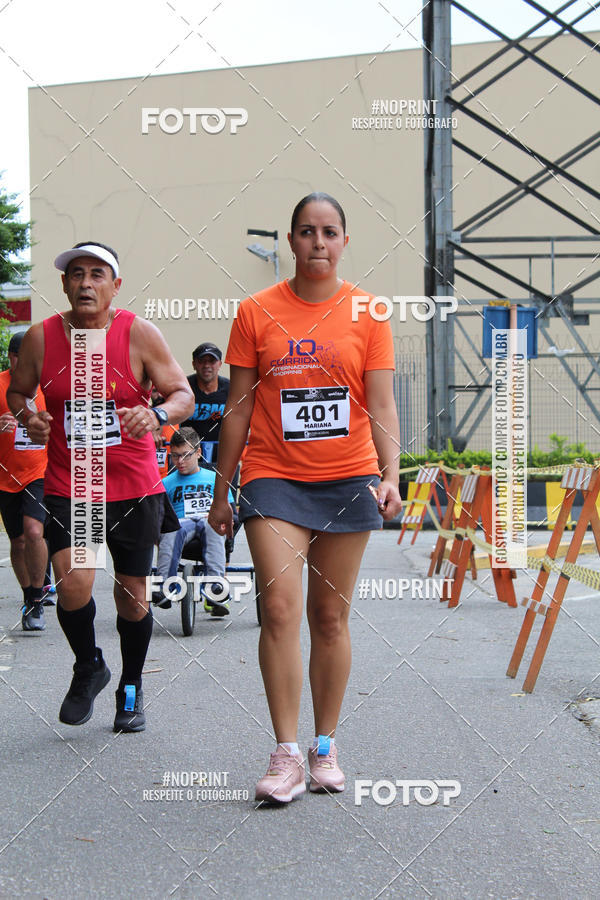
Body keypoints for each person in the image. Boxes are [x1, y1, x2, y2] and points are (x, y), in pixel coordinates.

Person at [208, 192, 402, 803]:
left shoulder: (369, 313)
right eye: (306, 232)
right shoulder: (255, 312)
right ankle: (286, 752)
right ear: (290, 241)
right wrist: (222, 488)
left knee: (329, 616)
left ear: (344, 242)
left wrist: (391, 474)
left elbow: (382, 403)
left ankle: (325, 743)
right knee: (282, 610)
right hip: (273, 478)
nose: (318, 242)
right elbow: (238, 408)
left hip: (349, 478)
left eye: (330, 232)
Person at [8, 241, 194, 733]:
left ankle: (130, 689)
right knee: (73, 585)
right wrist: (30, 417)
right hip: (75, 484)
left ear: (115, 285)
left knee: (133, 595)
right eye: (76, 275)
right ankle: (89, 664)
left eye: (96, 274)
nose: (85, 283)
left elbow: (183, 394)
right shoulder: (43, 338)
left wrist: (153, 414)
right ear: (64, 284)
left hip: (134, 487)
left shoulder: (139, 334)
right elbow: (18, 391)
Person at [153, 427, 234, 616]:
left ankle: (216, 588)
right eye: (175, 456)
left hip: (210, 522)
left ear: (198, 453)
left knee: (213, 525)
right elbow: (159, 517)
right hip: (181, 525)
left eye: (186, 455)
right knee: (171, 528)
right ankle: (165, 586)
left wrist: (226, 527)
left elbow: (232, 512)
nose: (180, 462)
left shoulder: (215, 479)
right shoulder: (166, 483)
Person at [0, 331, 48, 630]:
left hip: (39, 472)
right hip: (5, 476)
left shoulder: (47, 384)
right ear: (11, 357)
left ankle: (40, 598)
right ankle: (29, 596)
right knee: (17, 543)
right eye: (19, 355)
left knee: (33, 531)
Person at [181, 342, 229, 466]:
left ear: (220, 364)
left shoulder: (231, 389)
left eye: (212, 361)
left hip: (223, 453)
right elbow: (163, 410)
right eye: (202, 361)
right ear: (194, 364)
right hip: (187, 455)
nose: (207, 365)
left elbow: (245, 416)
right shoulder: (183, 387)